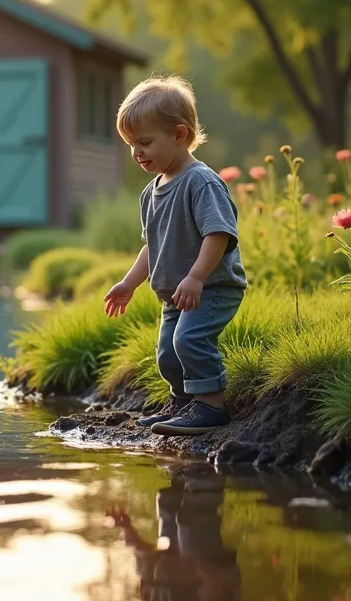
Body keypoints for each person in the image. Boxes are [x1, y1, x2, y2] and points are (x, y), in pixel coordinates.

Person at [102, 76, 246, 436]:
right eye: (131, 145)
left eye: (145, 142)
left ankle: (211, 406)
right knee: (167, 352)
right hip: (174, 294)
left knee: (189, 341)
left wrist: (196, 277)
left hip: (209, 287)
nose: (137, 152)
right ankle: (183, 404)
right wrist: (129, 283)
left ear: (180, 134)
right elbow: (152, 245)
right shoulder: (150, 192)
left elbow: (218, 234)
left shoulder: (201, 182)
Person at [105, 464, 241, 601]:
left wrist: (127, 528)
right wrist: (198, 566)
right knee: (188, 531)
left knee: (167, 504)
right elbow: (219, 584)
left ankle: (180, 478)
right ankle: (204, 479)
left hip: (176, 556)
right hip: (204, 564)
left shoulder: (152, 594)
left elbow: (143, 556)